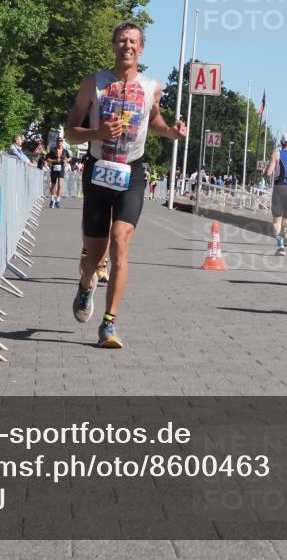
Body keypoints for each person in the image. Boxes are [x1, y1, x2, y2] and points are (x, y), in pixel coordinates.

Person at [64, 21, 187, 349]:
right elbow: (70, 132)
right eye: (121, 40)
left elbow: (154, 119)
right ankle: (86, 283)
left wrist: (171, 132)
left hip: (131, 173)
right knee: (95, 256)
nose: (127, 46)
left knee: (120, 241)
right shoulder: (93, 83)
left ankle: (109, 323)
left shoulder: (151, 87)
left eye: (133, 41)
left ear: (141, 49)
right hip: (97, 170)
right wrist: (98, 133)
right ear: (113, 46)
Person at [45, 137, 72, 208]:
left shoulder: (65, 151)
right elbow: (47, 158)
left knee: (60, 185)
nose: (60, 142)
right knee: (53, 185)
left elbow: (69, 157)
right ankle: (52, 199)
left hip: (61, 169)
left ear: (62, 142)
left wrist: (67, 160)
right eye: (58, 141)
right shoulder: (53, 150)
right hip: (54, 168)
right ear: (56, 142)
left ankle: (58, 200)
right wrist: (54, 160)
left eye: (61, 141)